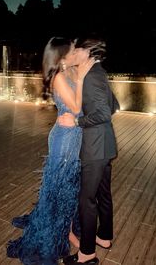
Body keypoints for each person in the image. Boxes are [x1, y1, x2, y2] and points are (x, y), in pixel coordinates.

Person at [6, 37, 95, 265]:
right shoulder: (58, 77)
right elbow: (76, 108)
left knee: (68, 189)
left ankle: (67, 229)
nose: (76, 51)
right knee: (59, 190)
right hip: (63, 139)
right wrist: (83, 77)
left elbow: (85, 104)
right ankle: (61, 234)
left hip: (74, 135)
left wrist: (83, 72)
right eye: (72, 49)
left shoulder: (72, 71)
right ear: (62, 55)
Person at [58, 37, 120, 265]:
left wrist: (76, 123)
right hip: (104, 144)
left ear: (88, 52)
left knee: (87, 200)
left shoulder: (92, 76)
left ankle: (86, 254)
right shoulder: (99, 71)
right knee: (104, 194)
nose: (74, 51)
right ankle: (104, 237)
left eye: (78, 48)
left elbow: (104, 113)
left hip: (94, 148)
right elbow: (114, 106)